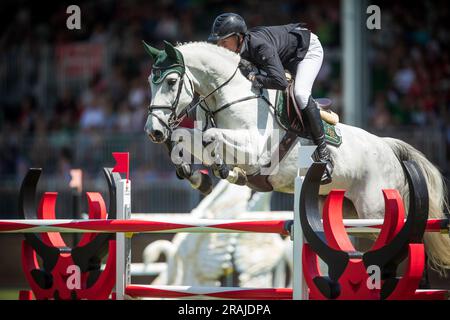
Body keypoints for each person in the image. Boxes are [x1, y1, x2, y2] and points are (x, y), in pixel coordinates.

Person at [207, 13, 333, 184]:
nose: (220, 47)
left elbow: (280, 82)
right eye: (218, 43)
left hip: (307, 50)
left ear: (239, 38)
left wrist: (254, 78)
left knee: (301, 94)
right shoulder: (239, 50)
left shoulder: (259, 46)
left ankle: (324, 154)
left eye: (224, 42)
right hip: (286, 56)